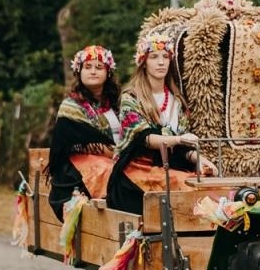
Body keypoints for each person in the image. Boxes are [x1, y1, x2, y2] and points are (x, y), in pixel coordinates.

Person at [107, 26, 218, 215]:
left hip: (169, 166)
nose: (161, 62)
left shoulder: (176, 100)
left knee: (212, 191)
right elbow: (145, 139)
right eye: (154, 57)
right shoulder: (131, 97)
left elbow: (183, 147)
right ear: (143, 62)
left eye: (165, 57)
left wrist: (200, 159)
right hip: (137, 170)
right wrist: (178, 140)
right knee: (188, 190)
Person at [48, 45, 121, 219]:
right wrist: (117, 155)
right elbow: (81, 144)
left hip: (116, 159)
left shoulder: (117, 104)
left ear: (108, 72)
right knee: (109, 170)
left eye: (99, 67)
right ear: (78, 72)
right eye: (87, 67)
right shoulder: (71, 106)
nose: (93, 72)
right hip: (77, 171)